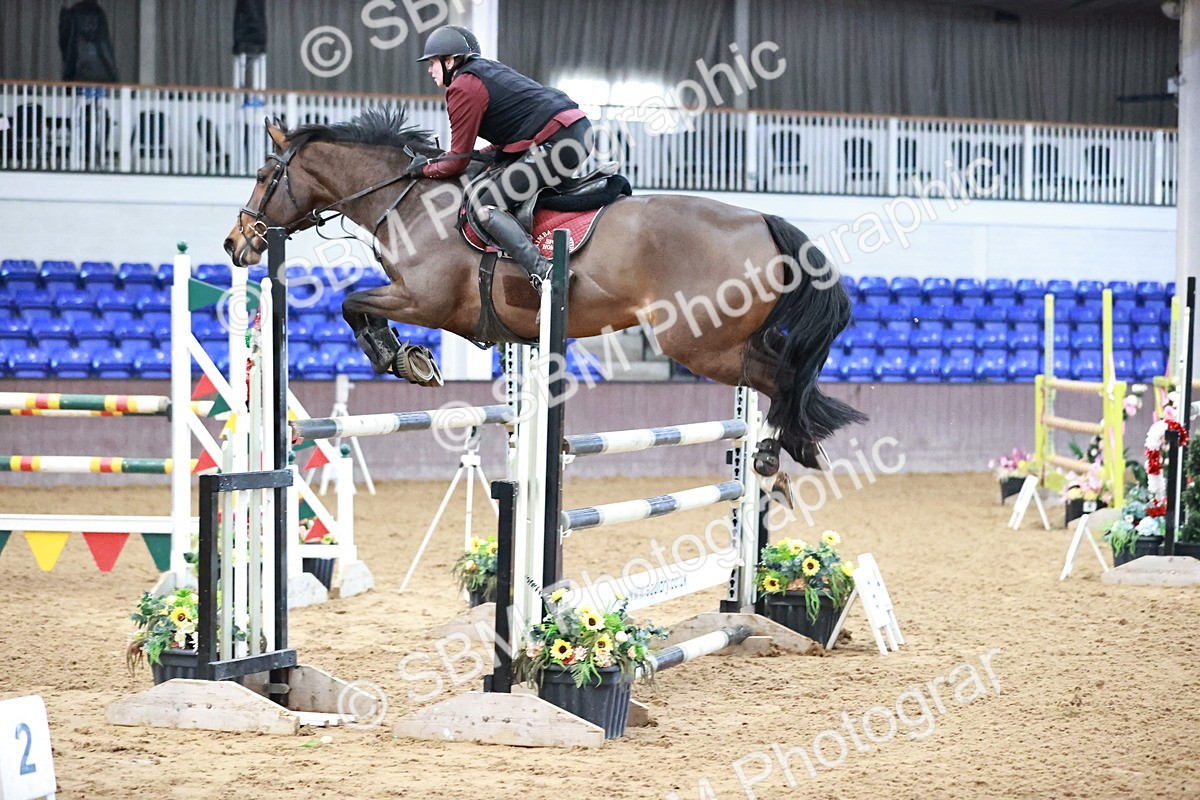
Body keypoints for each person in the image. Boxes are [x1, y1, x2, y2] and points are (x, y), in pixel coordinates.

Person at [409, 25, 592, 287]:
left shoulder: (462, 87)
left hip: (560, 141)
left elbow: (456, 162)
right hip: (571, 132)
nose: (429, 69)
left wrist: (424, 168)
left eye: (433, 62)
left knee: (487, 207)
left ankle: (546, 274)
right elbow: (500, 146)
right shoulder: (484, 73)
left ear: (450, 61)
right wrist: (477, 156)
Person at [58, 0, 119, 83]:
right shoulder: (97, 12)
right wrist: (114, 75)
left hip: (79, 74)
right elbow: (104, 47)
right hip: (98, 75)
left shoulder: (74, 12)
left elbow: (67, 45)